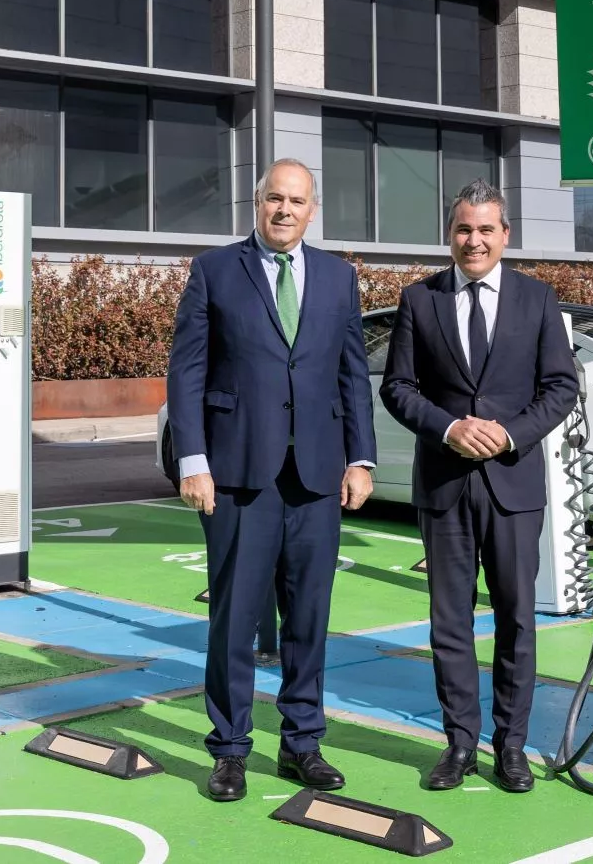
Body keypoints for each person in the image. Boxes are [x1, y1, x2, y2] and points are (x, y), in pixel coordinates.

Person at [166, 158, 377, 802]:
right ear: (257, 204)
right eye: (274, 199)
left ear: (313, 211)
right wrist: (193, 460)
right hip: (235, 476)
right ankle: (230, 749)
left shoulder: (340, 278)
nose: (284, 211)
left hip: (316, 476)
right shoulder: (214, 271)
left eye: (297, 201)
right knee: (233, 620)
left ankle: (302, 743)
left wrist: (360, 459)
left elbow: (352, 376)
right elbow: (188, 374)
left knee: (309, 615)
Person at [379, 179, 578, 793]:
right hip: (444, 486)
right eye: (464, 229)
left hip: (512, 486)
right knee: (450, 621)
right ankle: (460, 744)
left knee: (517, 617)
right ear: (450, 234)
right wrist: (450, 428)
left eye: (486, 229)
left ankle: (510, 746)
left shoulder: (538, 300)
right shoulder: (420, 300)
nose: (474, 240)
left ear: (505, 235)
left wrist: (509, 435)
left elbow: (561, 389)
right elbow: (398, 388)